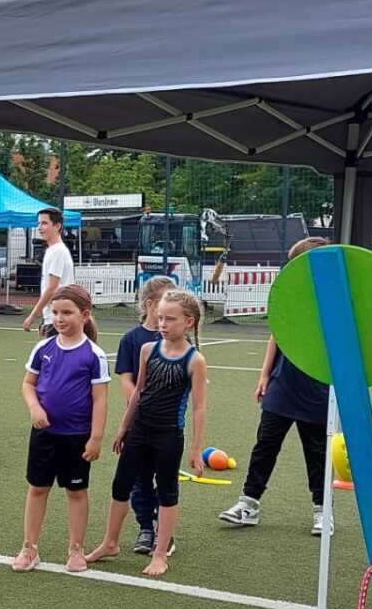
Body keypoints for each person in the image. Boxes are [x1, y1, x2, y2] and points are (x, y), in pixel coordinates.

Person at [86, 289, 209, 577]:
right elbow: (139, 392)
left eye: (170, 319)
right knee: (121, 485)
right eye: (160, 317)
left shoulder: (195, 360)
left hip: (168, 435)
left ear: (188, 322)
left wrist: (196, 448)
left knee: (167, 491)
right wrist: (123, 427)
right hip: (139, 431)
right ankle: (110, 543)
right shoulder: (147, 350)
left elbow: (199, 407)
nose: (163, 324)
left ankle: (160, 552)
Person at [220, 239, 333, 535]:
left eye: (298, 264)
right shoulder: (290, 296)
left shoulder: (333, 300)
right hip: (283, 384)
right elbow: (276, 335)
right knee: (265, 444)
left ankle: (323, 511)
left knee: (317, 452)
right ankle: (248, 504)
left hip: (317, 388)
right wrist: (265, 375)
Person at [15, 285, 110, 573]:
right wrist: (35, 408)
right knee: (37, 488)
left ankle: (76, 549)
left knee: (76, 492)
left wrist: (95, 438)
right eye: (55, 312)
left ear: (84, 314)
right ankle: (29, 548)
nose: (59, 318)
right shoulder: (43, 348)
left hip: (77, 436)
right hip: (44, 434)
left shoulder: (94, 354)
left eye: (66, 312)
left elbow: (100, 399)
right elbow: (28, 384)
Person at [112, 275, 177, 555]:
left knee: (165, 480)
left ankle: (165, 533)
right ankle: (146, 527)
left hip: (167, 424)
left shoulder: (176, 338)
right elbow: (127, 380)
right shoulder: (132, 339)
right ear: (150, 304)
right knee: (139, 479)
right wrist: (138, 405)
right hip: (138, 422)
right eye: (165, 300)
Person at [21, 207, 75, 335]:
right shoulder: (53, 250)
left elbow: (52, 288)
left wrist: (33, 316)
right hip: (53, 318)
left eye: (44, 223)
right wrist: (45, 319)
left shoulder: (57, 251)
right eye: (39, 223)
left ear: (57, 226)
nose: (39, 227)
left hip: (57, 319)